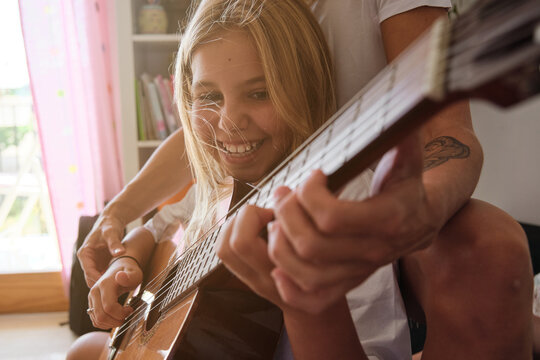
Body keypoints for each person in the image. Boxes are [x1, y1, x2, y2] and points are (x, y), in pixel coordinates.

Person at [76, 0, 534, 358]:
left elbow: (449, 132)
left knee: (491, 246)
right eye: (209, 97)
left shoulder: (342, 205)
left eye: (259, 93)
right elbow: (157, 227)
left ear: (302, 89)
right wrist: (128, 262)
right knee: (82, 351)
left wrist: (308, 301)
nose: (229, 121)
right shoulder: (215, 186)